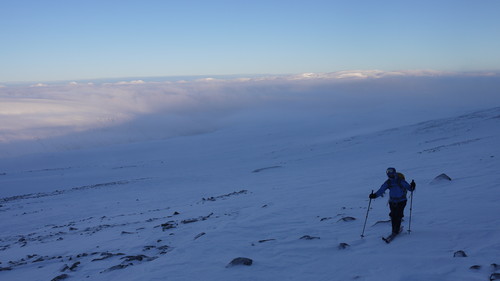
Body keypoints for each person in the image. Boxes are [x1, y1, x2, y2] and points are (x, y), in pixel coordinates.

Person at [369, 167, 416, 234]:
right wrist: (374, 195)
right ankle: (394, 229)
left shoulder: (400, 181)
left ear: (394, 173)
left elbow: (410, 189)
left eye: (391, 174)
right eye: (388, 174)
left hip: (402, 201)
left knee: (399, 215)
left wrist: (413, 186)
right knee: (393, 215)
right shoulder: (388, 182)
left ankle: (396, 229)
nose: (390, 175)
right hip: (392, 202)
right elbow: (381, 190)